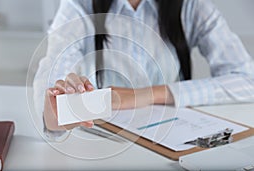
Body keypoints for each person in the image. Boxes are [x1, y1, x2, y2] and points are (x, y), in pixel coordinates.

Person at [33, 0, 254, 137]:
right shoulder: (78, 5)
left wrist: (145, 96)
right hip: (106, 139)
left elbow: (247, 80)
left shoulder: (192, 6)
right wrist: (54, 115)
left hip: (176, 135)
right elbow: (53, 69)